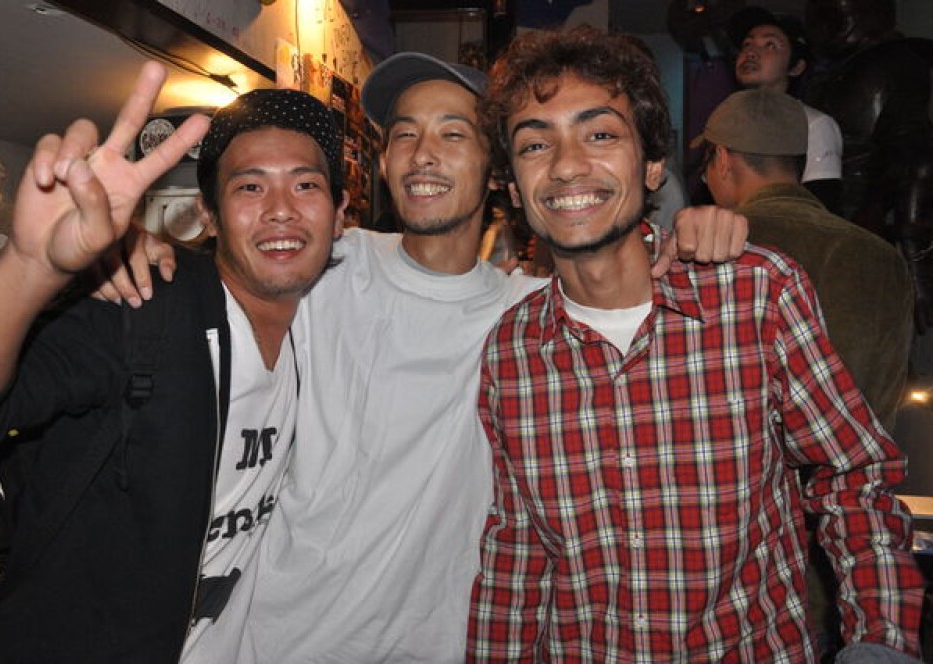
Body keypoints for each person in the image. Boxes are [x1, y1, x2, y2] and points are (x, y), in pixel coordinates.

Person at [103, 52, 748, 662]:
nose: (423, 154)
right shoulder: (327, 264)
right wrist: (136, 250)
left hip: (444, 644)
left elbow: (620, 277)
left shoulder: (532, 317)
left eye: (453, 134)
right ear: (383, 165)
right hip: (280, 639)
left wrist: (682, 235)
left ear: (498, 173)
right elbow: (227, 269)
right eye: (404, 135)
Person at [468, 25, 924, 662]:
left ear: (653, 165)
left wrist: (881, 639)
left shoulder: (756, 294)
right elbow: (519, 548)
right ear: (515, 189)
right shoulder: (512, 351)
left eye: (600, 135)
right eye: (536, 144)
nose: (567, 165)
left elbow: (853, 478)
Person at [0, 62, 347, 663]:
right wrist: (29, 267)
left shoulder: (327, 326)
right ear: (208, 215)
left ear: (340, 214)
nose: (281, 209)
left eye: (306, 185)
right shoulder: (143, 302)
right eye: (249, 187)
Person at [696, 87, 912, 432]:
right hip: (854, 460)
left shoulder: (713, 250)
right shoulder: (882, 257)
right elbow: (886, 395)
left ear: (722, 160)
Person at [802, 0, 933, 332]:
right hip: (833, 232)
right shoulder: (835, 74)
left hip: (872, 234)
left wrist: (915, 260)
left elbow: (915, 158)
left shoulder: (892, 64)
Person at [728, 6, 844, 215]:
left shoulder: (813, 125)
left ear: (796, 67)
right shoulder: (726, 122)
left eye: (770, 45)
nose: (750, 53)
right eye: (747, 44)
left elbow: (820, 210)